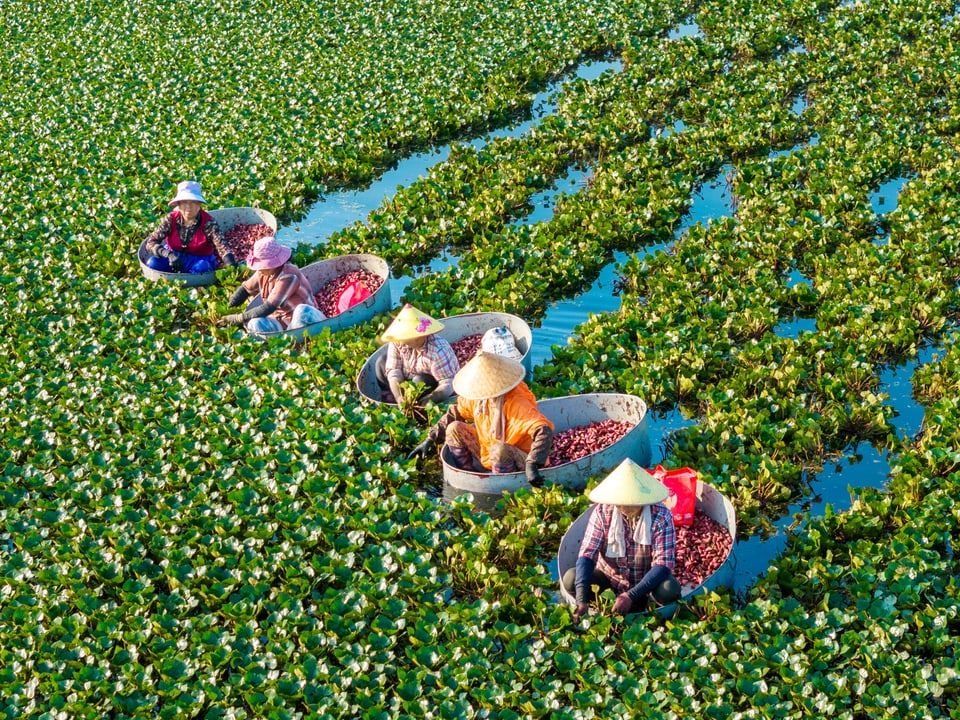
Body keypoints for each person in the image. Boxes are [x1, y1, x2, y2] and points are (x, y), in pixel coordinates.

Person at [408, 351, 553, 487]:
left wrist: (532, 465)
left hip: (520, 456)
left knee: (500, 449)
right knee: (454, 429)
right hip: (489, 451)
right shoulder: (479, 399)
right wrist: (430, 439)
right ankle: (473, 477)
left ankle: (500, 487)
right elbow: (455, 413)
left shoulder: (516, 402)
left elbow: (543, 430)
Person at [566, 458, 682, 620]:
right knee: (571, 579)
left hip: (645, 583)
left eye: (630, 503)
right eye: (620, 503)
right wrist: (581, 600)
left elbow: (663, 565)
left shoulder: (661, 516)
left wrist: (631, 595)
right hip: (609, 579)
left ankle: (648, 606)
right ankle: (594, 606)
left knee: (669, 589)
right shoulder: (602, 512)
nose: (624, 508)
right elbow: (587, 555)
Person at [220, 236, 326, 333]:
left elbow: (268, 307)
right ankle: (286, 340)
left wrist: (238, 318)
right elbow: (244, 290)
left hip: (304, 319)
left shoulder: (289, 276)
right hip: (282, 322)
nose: (259, 268)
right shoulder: (263, 272)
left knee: (301, 310)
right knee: (254, 323)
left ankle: (298, 338)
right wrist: (227, 310)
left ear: (274, 264)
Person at [143, 181, 237, 274]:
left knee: (202, 267)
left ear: (199, 204)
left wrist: (231, 265)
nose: (189, 207)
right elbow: (150, 242)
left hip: (199, 260)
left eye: (193, 202)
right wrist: (168, 254)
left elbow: (222, 247)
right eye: (184, 203)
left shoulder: (208, 223)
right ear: (179, 205)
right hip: (173, 257)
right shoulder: (171, 219)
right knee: (153, 263)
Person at [376, 304, 460, 405]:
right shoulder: (397, 341)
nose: (401, 341)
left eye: (406, 337)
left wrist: (432, 398)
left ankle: (420, 403)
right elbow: (394, 371)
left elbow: (448, 384)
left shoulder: (438, 351)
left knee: (419, 380)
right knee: (381, 363)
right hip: (406, 381)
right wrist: (398, 396)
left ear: (419, 337)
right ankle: (391, 398)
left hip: (430, 385)